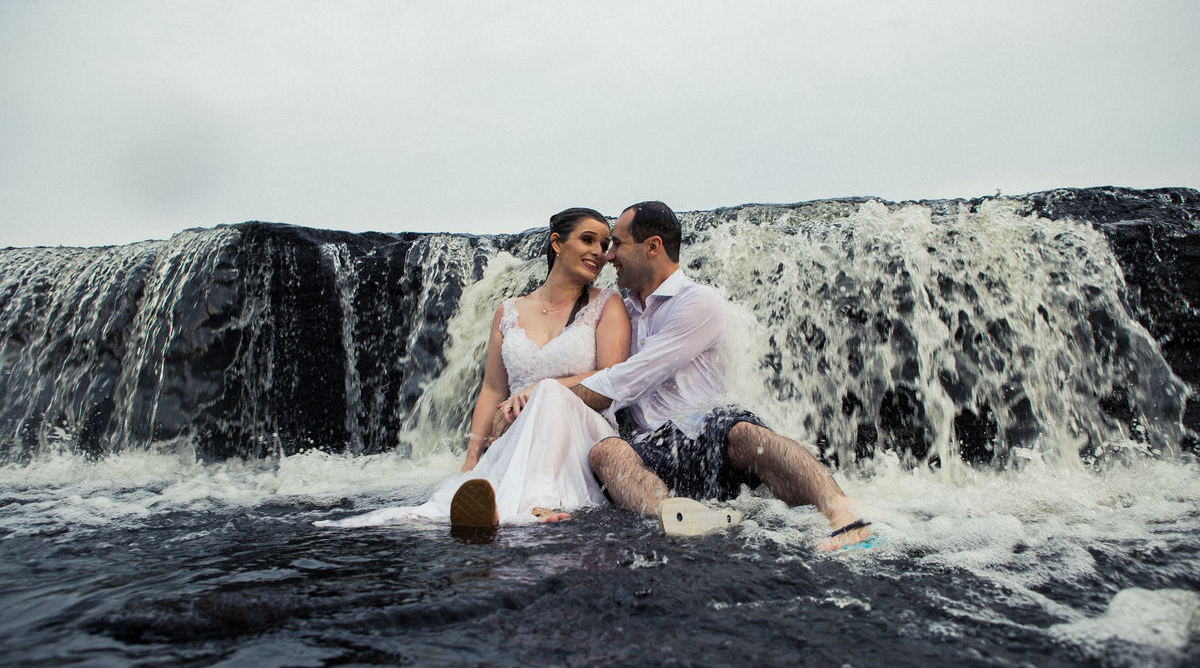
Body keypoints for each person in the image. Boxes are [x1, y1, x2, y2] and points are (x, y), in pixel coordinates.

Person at [568, 201, 872, 551]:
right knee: (606, 452)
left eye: (618, 244)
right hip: (651, 449)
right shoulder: (622, 310)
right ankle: (675, 516)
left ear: (653, 246)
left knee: (745, 431)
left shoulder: (698, 301)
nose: (609, 256)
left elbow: (629, 379)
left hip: (707, 432)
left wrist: (549, 397)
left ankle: (841, 510)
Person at [315, 208, 630, 528]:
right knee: (456, 499)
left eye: (604, 245)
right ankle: (502, 507)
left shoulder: (607, 303)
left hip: (585, 431)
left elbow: (612, 377)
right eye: (588, 240)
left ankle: (541, 502)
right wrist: (470, 459)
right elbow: (492, 389)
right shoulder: (508, 311)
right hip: (517, 432)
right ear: (557, 243)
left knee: (548, 391)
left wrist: (539, 388)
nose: (598, 252)